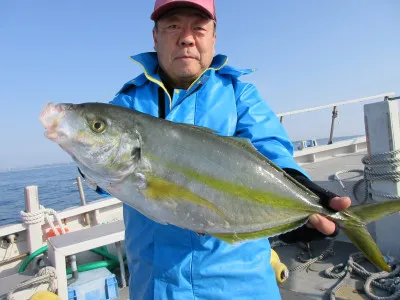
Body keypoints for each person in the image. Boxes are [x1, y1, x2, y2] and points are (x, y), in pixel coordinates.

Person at [99, 0, 351, 298]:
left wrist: (301, 193)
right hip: (155, 285)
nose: (187, 37)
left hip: (240, 285)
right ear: (155, 36)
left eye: (199, 28)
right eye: (173, 26)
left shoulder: (238, 93)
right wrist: (83, 154)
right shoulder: (127, 104)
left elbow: (271, 151)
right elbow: (105, 175)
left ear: (213, 37)